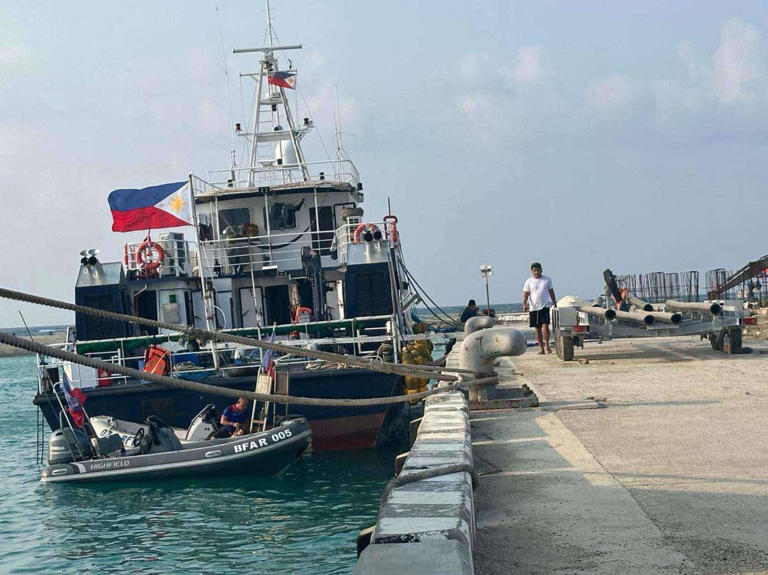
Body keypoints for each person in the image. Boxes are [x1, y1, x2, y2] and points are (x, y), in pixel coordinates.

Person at [522, 262, 557, 354]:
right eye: (534, 271)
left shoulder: (547, 280)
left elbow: (551, 291)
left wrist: (554, 302)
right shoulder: (528, 281)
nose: (536, 272)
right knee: (537, 329)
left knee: (545, 325)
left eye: (538, 270)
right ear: (531, 271)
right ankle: (541, 348)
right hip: (533, 307)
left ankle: (547, 346)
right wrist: (524, 304)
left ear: (541, 270)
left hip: (545, 306)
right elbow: (526, 293)